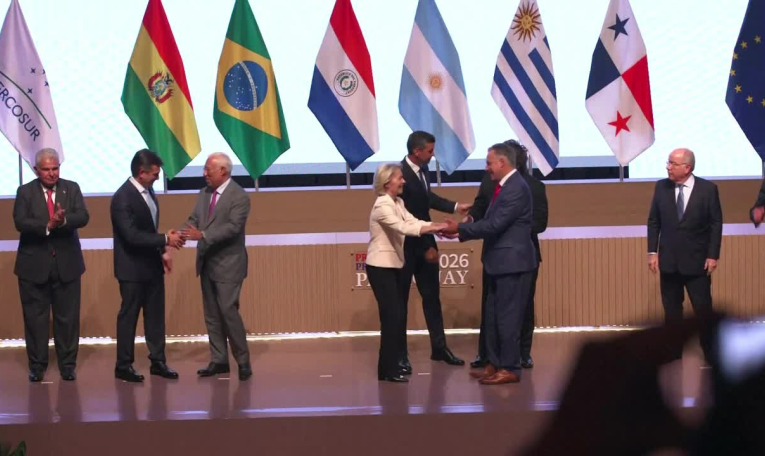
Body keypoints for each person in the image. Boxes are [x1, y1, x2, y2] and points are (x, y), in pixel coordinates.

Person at [441, 143, 538, 384]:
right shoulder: (502, 186)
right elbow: (488, 219)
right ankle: (494, 364)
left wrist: (460, 228)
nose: (486, 168)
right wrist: (461, 229)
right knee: (493, 317)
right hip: (499, 263)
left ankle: (510, 368)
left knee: (508, 318)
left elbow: (495, 224)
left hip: (513, 264)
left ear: (502, 163)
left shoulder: (516, 188)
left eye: (489, 163)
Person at [468, 140, 548, 369]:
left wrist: (511, 228)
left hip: (517, 256)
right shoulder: (490, 182)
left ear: (507, 161)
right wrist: (471, 220)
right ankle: (490, 357)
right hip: (495, 255)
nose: (487, 168)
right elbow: (480, 208)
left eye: (490, 162)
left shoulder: (529, 186)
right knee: (492, 308)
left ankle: (520, 356)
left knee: (519, 309)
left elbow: (539, 223)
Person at [398, 131, 472, 372]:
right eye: (430, 151)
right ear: (417, 151)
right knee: (400, 302)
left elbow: (426, 198)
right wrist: (427, 245)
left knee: (432, 298)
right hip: (405, 246)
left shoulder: (423, 169)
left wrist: (455, 206)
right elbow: (408, 218)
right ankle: (400, 354)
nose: (433, 155)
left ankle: (439, 348)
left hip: (425, 241)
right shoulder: (399, 175)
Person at [13, 148, 89, 382]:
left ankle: (67, 365)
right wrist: (48, 225)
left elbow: (83, 216)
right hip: (33, 267)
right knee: (35, 320)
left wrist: (63, 220)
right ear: (37, 170)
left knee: (68, 319)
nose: (52, 173)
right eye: (46, 169)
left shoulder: (72, 188)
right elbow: (20, 222)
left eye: (55, 168)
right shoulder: (25, 192)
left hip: (67, 265)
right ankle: (37, 366)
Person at [367, 163, 446, 383]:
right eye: (399, 178)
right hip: (380, 267)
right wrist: (436, 228)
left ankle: (388, 369)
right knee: (393, 317)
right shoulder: (382, 205)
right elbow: (403, 228)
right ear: (387, 182)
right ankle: (389, 369)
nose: (404, 181)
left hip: (392, 266)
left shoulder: (398, 202)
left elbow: (413, 221)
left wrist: (436, 226)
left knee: (393, 317)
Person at [111, 149, 182, 382]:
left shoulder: (149, 192)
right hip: (131, 269)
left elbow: (149, 230)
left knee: (155, 317)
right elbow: (131, 236)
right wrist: (165, 239)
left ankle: (158, 361)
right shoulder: (122, 197)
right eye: (155, 174)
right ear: (141, 173)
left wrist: (162, 251)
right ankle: (123, 365)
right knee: (129, 317)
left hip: (152, 266)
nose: (157, 178)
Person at [181, 153, 252, 381]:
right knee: (211, 315)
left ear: (223, 171)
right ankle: (219, 360)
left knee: (228, 312)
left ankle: (243, 361)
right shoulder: (204, 194)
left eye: (207, 169)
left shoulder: (239, 196)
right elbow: (193, 220)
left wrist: (203, 235)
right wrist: (177, 235)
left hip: (229, 265)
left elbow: (233, 227)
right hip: (207, 263)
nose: (204, 173)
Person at [647, 148, 722, 360]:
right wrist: (652, 252)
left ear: (687, 168)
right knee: (672, 312)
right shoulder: (661, 187)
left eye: (673, 163)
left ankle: (711, 354)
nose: (668, 167)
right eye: (668, 162)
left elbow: (715, 224)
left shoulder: (708, 189)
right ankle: (674, 355)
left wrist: (713, 255)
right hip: (669, 262)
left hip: (697, 263)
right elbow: (654, 221)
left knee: (703, 311)